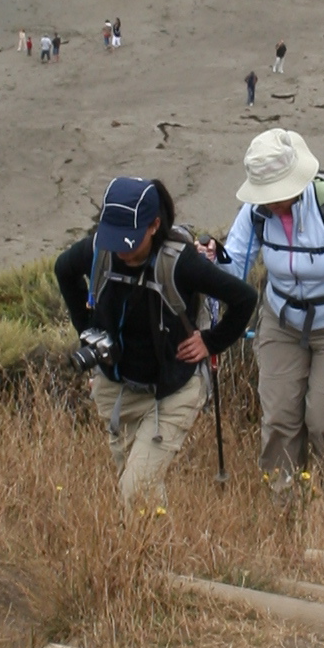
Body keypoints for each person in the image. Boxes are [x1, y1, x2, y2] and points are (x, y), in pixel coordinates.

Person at [53, 174, 253, 510]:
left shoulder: (180, 262)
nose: (121, 252)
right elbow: (63, 269)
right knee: (136, 489)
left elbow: (245, 298)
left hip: (171, 392)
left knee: (135, 490)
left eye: (129, 242)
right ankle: (154, 555)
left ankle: (151, 556)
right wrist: (88, 331)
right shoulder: (100, 251)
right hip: (117, 389)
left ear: (153, 226)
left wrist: (210, 342)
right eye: (115, 239)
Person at [224, 129, 324, 490]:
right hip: (281, 321)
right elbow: (234, 267)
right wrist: (210, 261)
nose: (271, 203)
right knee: (279, 418)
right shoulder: (255, 215)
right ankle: (283, 506)